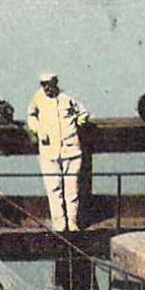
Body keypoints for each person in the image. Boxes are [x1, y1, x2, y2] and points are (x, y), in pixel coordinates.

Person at [26, 72, 90, 232]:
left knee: (72, 189)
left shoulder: (66, 98)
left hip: (71, 150)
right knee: (53, 188)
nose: (46, 87)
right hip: (49, 152)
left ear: (56, 82)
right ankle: (59, 224)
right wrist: (38, 130)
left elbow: (83, 113)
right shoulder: (37, 99)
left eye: (49, 83)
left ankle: (73, 223)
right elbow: (31, 117)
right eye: (43, 84)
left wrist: (77, 124)